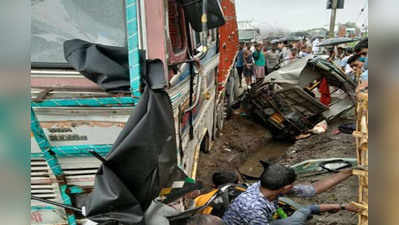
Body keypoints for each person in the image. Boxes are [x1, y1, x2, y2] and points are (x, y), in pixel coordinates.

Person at [222, 162, 358, 225]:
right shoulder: (252, 209)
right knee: (298, 219)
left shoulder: (266, 185)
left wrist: (349, 172)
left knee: (303, 214)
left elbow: (313, 189)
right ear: (286, 187)